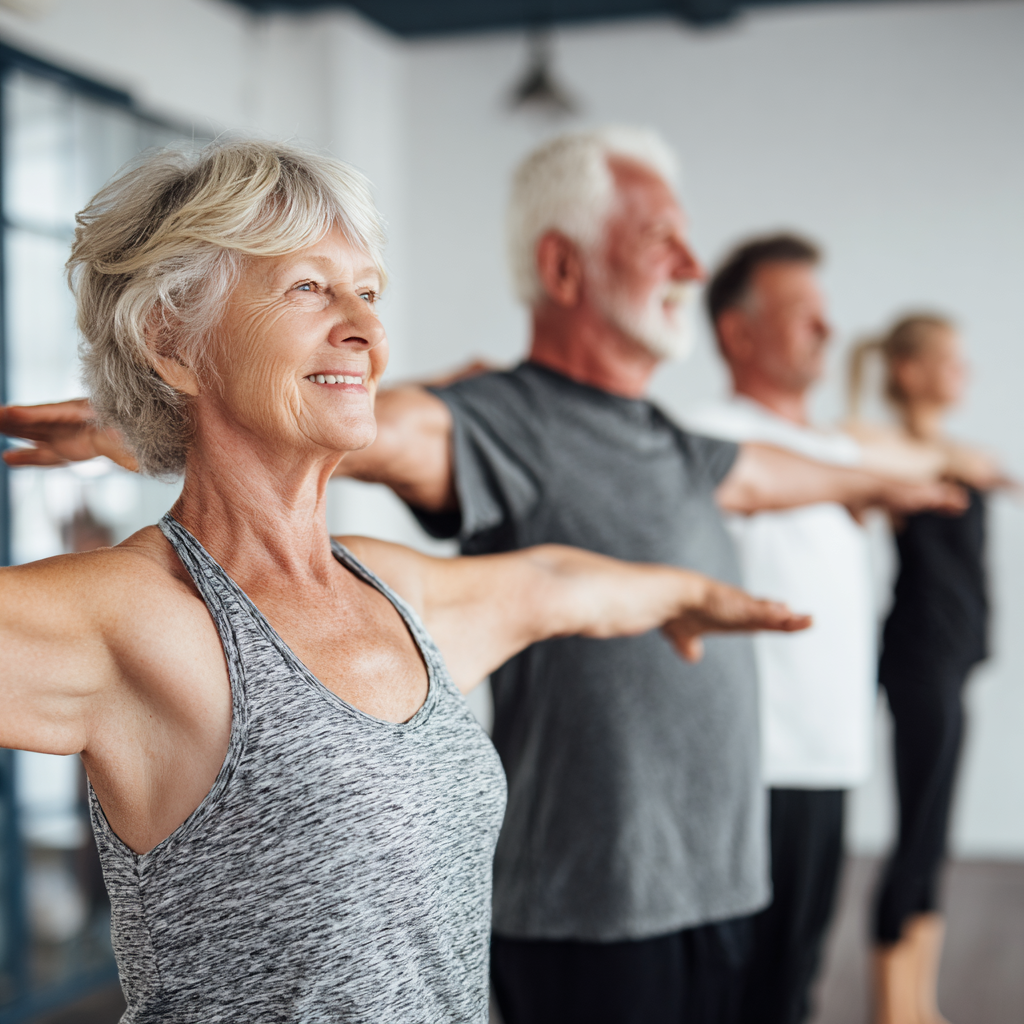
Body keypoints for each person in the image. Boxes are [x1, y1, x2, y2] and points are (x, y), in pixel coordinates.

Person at [1, 129, 961, 1024]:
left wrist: (688, 594)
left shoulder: (388, 591)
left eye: (369, 292)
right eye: (306, 287)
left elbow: (549, 584)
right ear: (173, 342)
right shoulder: (135, 616)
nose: (363, 329)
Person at [683, 234, 877, 1024]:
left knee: (793, 986)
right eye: (805, 316)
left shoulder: (835, 448)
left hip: (829, 761)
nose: (827, 332)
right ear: (738, 333)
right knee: (730, 993)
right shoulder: (705, 429)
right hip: (752, 765)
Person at [847, 315, 1006, 1024]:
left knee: (935, 832)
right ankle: (891, 1009)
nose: (961, 372)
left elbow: (987, 468)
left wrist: (951, 460)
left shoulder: (952, 455)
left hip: (955, 661)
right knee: (916, 830)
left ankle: (923, 1005)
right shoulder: (889, 452)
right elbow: (856, 443)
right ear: (906, 370)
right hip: (919, 659)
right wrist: (945, 463)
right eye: (947, 359)